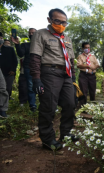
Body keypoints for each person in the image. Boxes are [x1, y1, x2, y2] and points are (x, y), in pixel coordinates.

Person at [29, 8, 78, 150]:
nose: (61, 24)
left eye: (64, 22)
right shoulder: (40, 34)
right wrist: (36, 79)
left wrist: (74, 80)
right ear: (49, 20)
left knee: (70, 103)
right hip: (50, 72)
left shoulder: (67, 39)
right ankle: (48, 139)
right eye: (57, 21)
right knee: (49, 106)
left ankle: (66, 133)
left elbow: (71, 61)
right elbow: (35, 58)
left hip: (67, 74)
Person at [12, 28, 37, 111]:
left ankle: (46, 104)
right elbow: (20, 54)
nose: (31, 34)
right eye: (30, 33)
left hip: (41, 68)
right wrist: (17, 44)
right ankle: (32, 105)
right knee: (30, 87)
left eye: (33, 33)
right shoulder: (25, 45)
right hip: (28, 68)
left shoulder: (42, 45)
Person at [77, 42, 99, 106]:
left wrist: (93, 68)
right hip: (83, 75)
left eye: (88, 47)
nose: (87, 49)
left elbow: (97, 64)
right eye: (86, 47)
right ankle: (83, 107)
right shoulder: (80, 56)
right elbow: (79, 65)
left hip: (92, 75)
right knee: (83, 91)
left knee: (92, 91)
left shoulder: (93, 57)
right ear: (83, 48)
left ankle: (93, 107)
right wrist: (88, 66)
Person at [0, 32, 18, 98]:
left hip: (8, 73)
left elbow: (15, 60)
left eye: (0, 38)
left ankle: (6, 102)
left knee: (8, 88)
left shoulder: (10, 49)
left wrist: (13, 70)